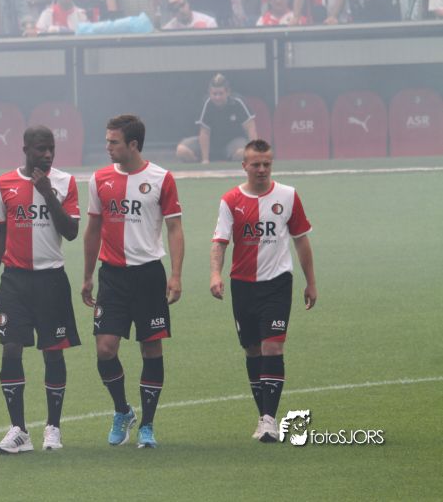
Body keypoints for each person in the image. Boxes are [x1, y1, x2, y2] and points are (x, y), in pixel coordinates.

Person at [82, 114, 185, 449]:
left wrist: (176, 275)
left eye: (114, 142)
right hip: (112, 275)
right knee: (105, 348)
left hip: (148, 275)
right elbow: (93, 229)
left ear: (133, 145)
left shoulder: (161, 178)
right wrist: (87, 275)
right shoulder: (99, 179)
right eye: (107, 140)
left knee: (150, 347)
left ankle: (148, 425)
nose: (107, 147)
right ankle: (122, 410)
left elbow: (174, 228)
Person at [209, 138, 316, 442]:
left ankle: (270, 419)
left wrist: (311, 281)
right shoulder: (230, 200)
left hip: (277, 284)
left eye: (266, 164)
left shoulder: (288, 196)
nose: (261, 169)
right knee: (253, 349)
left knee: (273, 347)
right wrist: (215, 274)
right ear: (244, 166)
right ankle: (263, 415)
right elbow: (220, 242)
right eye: (255, 164)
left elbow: (301, 240)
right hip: (243, 285)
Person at [0, 125, 82, 454]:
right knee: (11, 349)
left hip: (51, 279)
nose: (48, 154)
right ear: (25, 149)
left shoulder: (65, 182)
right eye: (41, 148)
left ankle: (53, 427)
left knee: (53, 351)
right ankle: (19, 431)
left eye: (51, 148)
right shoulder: (3, 183)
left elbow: (71, 232)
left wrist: (47, 194)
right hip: (14, 280)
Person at [176, 73, 258, 164]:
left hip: (233, 142)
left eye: (220, 94)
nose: (217, 97)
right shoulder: (206, 104)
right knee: (181, 150)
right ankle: (199, 165)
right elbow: (204, 133)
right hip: (211, 144)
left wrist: (255, 154)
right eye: (214, 94)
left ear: (228, 92)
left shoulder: (238, 102)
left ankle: (230, 163)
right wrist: (205, 160)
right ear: (209, 93)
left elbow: (251, 129)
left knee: (244, 153)